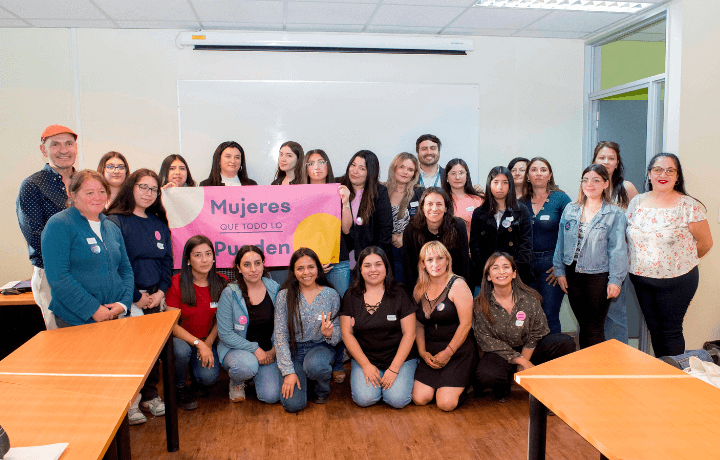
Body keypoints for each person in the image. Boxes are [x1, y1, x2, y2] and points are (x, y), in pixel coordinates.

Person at [626, 153, 712, 357]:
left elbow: (706, 243)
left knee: (671, 332)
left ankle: (675, 379)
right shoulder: (637, 202)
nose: (663, 174)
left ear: (677, 176)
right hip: (642, 280)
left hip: (677, 281)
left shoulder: (689, 205)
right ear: (649, 174)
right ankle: (662, 377)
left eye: (669, 170)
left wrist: (678, 260)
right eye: (657, 169)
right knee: (655, 331)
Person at [106, 169, 173, 425]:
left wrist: (160, 292)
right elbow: (116, 264)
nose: (148, 193)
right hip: (128, 299)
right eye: (143, 187)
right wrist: (135, 297)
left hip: (155, 298)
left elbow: (167, 261)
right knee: (130, 354)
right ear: (131, 187)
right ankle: (130, 402)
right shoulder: (114, 221)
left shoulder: (158, 222)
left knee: (153, 353)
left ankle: (150, 395)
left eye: (153, 189)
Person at [473, 253, 575, 402]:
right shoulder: (480, 304)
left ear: (514, 273)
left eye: (506, 267)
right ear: (488, 276)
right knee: (486, 374)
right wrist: (521, 361)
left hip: (530, 348)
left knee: (565, 342)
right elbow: (486, 340)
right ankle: (503, 387)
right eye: (495, 268)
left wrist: (525, 358)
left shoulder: (530, 298)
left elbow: (538, 331)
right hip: (500, 352)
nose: (501, 272)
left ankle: (546, 385)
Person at [41, 170, 133, 328]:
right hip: (76, 319)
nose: (97, 197)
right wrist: (93, 309)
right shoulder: (59, 225)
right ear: (73, 195)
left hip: (114, 315)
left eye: (101, 192)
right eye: (89, 192)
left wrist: (123, 304)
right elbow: (59, 277)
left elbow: (126, 270)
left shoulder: (112, 227)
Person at [553, 164, 628, 349]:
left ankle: (596, 373)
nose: (590, 184)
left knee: (594, 328)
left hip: (599, 277)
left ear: (605, 184)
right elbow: (560, 242)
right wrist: (559, 271)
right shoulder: (571, 209)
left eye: (596, 180)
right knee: (584, 326)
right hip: (573, 274)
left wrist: (615, 280)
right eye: (586, 180)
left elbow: (618, 249)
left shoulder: (614, 213)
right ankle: (587, 370)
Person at [340, 247, 418, 408]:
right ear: (360, 269)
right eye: (367, 265)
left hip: (399, 359)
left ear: (386, 268)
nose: (373, 270)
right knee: (365, 399)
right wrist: (366, 365)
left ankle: (393, 381)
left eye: (378, 264)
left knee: (397, 400)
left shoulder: (400, 293)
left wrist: (394, 369)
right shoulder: (351, 295)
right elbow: (347, 334)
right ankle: (378, 383)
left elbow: (409, 334)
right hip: (366, 358)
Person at [17, 124, 78, 330]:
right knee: (60, 339)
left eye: (69, 143)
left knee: (91, 340)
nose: (64, 150)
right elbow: (36, 236)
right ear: (44, 150)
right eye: (56, 144)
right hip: (53, 274)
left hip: (87, 272)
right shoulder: (33, 185)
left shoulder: (85, 182)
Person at [304, 149, 352, 384]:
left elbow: (346, 229)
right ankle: (316, 356)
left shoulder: (339, 189)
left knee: (340, 311)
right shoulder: (297, 193)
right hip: (308, 265)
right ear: (305, 167)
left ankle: (338, 360)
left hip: (338, 261)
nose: (317, 166)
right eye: (311, 162)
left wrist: (345, 202)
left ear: (328, 165)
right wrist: (310, 265)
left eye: (321, 161)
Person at [165, 235, 228, 411]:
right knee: (181, 351)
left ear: (214, 257)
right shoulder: (176, 283)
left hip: (206, 340)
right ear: (188, 260)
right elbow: (171, 324)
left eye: (208, 254)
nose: (204, 260)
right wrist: (199, 344)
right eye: (198, 255)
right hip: (182, 340)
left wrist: (207, 343)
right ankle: (178, 388)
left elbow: (221, 319)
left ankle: (195, 376)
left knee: (208, 379)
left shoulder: (222, 282)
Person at [274, 248, 341, 413]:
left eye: (310, 267)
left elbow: (340, 330)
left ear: (318, 269)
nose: (306, 273)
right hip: (294, 351)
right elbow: (280, 335)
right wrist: (288, 372)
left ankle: (321, 389)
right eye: (300, 268)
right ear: (293, 272)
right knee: (293, 405)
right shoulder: (284, 296)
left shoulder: (331, 295)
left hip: (321, 348)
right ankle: (303, 378)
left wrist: (330, 334)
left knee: (316, 366)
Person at [411, 241, 475, 412]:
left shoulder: (458, 285)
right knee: (419, 398)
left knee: (445, 404)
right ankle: (443, 387)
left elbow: (466, 324)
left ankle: (465, 384)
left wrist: (448, 353)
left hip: (457, 350)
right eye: (429, 259)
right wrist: (423, 352)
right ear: (423, 264)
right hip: (431, 351)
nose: (435, 264)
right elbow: (418, 324)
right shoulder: (419, 288)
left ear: (448, 260)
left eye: (440, 258)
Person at [217, 245, 283, 404]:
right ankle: (238, 380)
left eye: (257, 263)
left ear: (263, 264)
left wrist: (274, 351)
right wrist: (255, 349)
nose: (253, 269)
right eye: (247, 265)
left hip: (268, 352)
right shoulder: (230, 293)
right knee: (247, 366)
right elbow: (225, 334)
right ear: (238, 268)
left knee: (271, 396)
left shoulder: (275, 288)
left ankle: (253, 376)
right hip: (237, 351)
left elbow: (283, 325)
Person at [592, 141, 638, 344]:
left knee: (615, 314)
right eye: (602, 157)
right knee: (591, 315)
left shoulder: (626, 188)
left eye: (611, 158)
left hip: (616, 263)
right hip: (590, 264)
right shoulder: (589, 188)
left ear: (618, 162)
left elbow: (636, 226)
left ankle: (618, 364)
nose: (606, 162)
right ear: (594, 160)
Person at [518, 157, 571, 335]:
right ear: (528, 176)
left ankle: (554, 360)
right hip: (526, 267)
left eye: (543, 169)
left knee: (549, 315)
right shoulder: (520, 202)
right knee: (529, 316)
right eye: (534, 169)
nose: (538, 173)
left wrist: (560, 267)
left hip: (551, 266)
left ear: (550, 175)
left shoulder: (561, 199)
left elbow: (570, 236)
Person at [470, 166, 533, 285]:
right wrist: (489, 270)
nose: (500, 187)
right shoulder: (479, 213)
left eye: (505, 182)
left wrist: (511, 271)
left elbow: (526, 245)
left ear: (510, 185)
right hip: (486, 275)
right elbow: (475, 247)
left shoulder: (521, 210)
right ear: (489, 185)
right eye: (496, 182)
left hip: (516, 275)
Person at [403, 187, 470, 296]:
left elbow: (464, 265)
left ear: (445, 208)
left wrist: (461, 293)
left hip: (453, 288)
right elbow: (409, 269)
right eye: (429, 204)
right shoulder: (411, 230)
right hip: (422, 289)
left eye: (439, 204)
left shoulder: (457, 227)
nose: (434, 209)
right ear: (422, 207)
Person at [339, 150, 393, 269]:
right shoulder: (338, 186)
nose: (355, 171)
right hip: (340, 259)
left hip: (368, 261)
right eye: (353, 165)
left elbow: (385, 229)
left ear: (371, 172)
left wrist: (376, 261)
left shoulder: (379, 192)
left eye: (362, 168)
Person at [268, 141, 306, 285]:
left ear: (298, 159)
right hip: (279, 249)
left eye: (289, 155)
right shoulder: (275, 184)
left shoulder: (305, 184)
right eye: (281, 154)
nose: (283, 159)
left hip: (299, 247)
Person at [385, 152, 424, 285]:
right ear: (394, 168)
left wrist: (405, 237)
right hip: (386, 251)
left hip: (410, 251)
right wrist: (389, 237)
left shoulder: (420, 193)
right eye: (402, 167)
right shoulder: (382, 190)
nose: (405, 172)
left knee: (407, 289)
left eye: (410, 169)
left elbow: (424, 222)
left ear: (415, 173)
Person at [442, 158, 484, 241]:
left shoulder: (478, 200)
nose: (457, 177)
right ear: (447, 177)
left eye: (461, 173)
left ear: (467, 176)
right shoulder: (442, 201)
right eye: (453, 173)